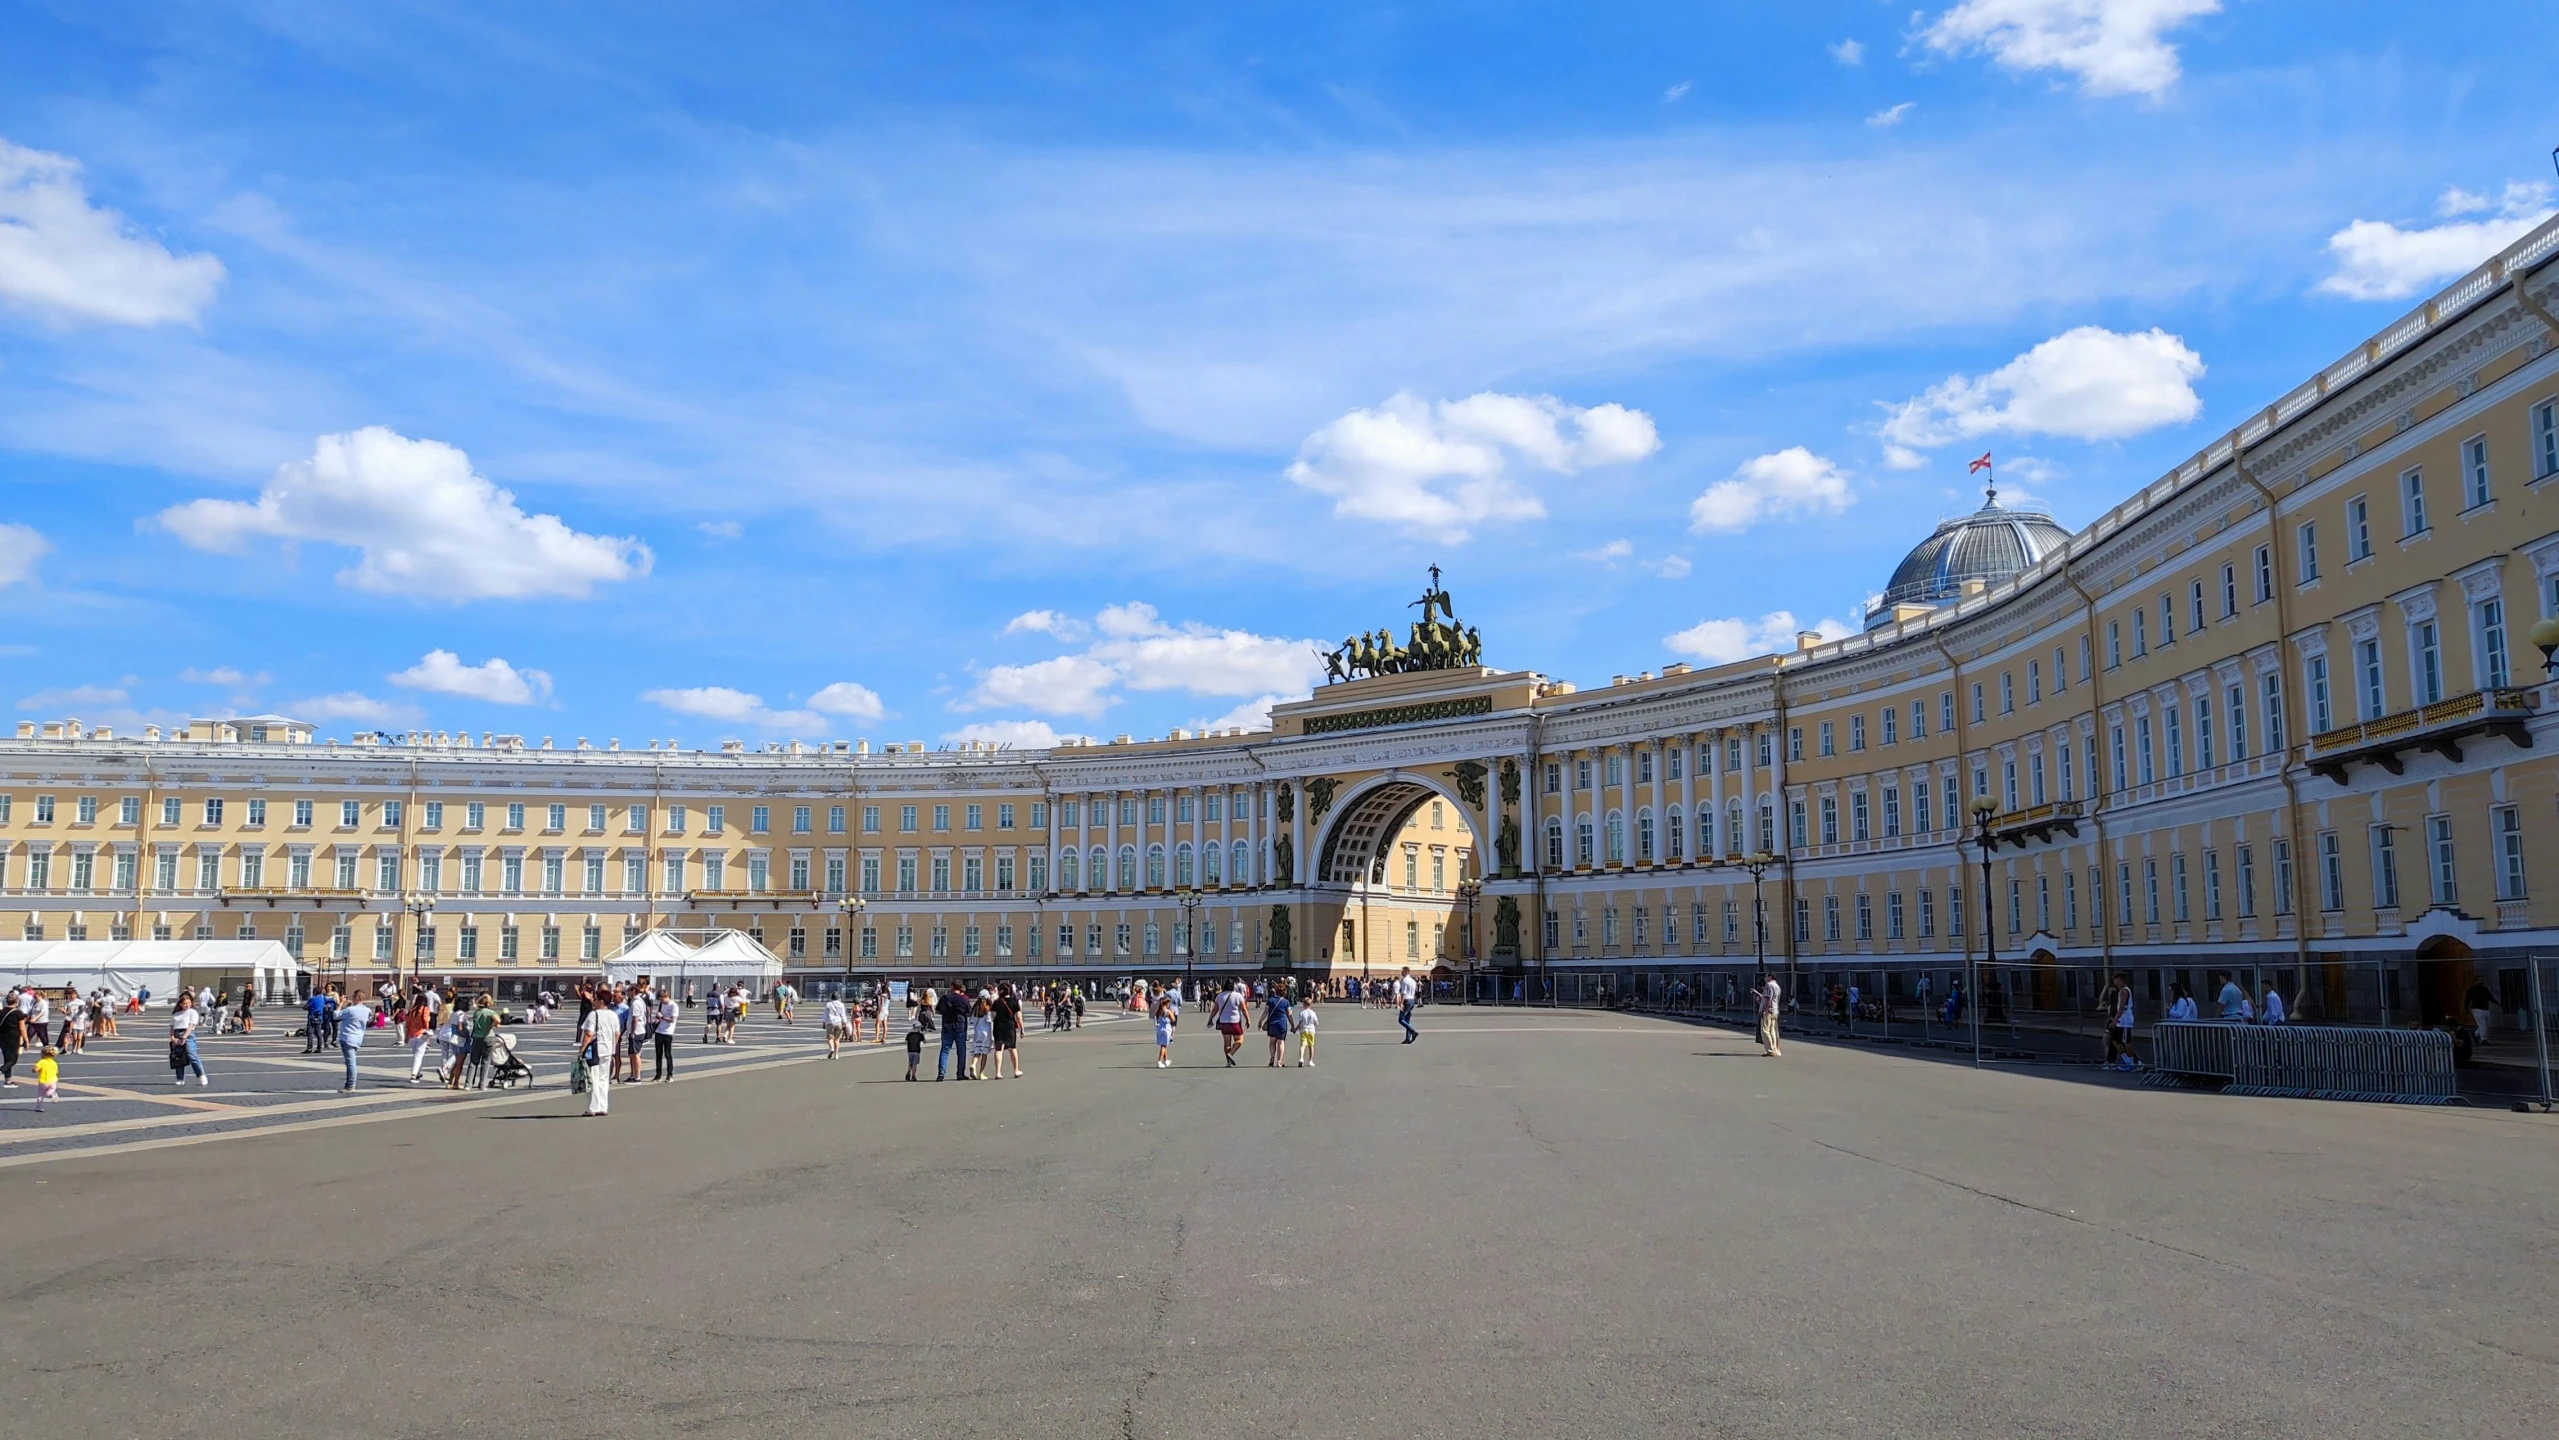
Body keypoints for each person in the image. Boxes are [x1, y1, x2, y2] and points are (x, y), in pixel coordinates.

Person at [577, 996, 619, 1116]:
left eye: (595, 999)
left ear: (601, 1001)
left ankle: (593, 1107)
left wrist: (581, 1050)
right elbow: (617, 1033)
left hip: (595, 1050)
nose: (593, 1002)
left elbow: (589, 1034)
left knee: (593, 1078)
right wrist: (612, 1047)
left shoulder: (593, 1014)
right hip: (607, 1050)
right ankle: (603, 1106)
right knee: (604, 1079)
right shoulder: (613, 1015)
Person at [336, 989, 373, 1091]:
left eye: (353, 996)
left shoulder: (350, 1010)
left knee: (351, 1063)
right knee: (350, 1062)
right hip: (358, 1038)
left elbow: (336, 1015)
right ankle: (349, 1084)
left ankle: (350, 1085)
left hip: (347, 1038)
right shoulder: (367, 1010)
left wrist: (341, 1003)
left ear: (356, 998)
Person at [170, 995, 209, 1086]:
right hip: (176, 1034)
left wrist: (184, 1037)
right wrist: (172, 1038)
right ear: (180, 1004)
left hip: (188, 1034)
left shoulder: (192, 1012)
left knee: (192, 1056)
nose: (187, 1005)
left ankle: (201, 1075)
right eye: (184, 1003)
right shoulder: (176, 1014)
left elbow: (191, 1026)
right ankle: (180, 1078)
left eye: (188, 1003)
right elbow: (172, 1027)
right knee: (178, 1057)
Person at [935, 982, 970, 1080]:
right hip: (960, 1027)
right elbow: (968, 1012)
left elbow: (938, 1010)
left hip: (947, 1026)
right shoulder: (964, 999)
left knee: (945, 1050)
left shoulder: (945, 998)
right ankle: (960, 1073)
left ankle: (941, 1073)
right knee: (961, 1051)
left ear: (952, 987)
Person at [991, 983, 1023, 1078]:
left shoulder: (997, 1002)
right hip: (1010, 1026)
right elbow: (1018, 1016)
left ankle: (998, 1072)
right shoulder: (1014, 1001)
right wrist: (1022, 1029)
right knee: (1012, 1048)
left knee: (998, 1049)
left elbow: (993, 1016)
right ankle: (1016, 1070)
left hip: (998, 1026)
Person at [1212, 981, 1248, 1067]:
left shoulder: (1219, 996)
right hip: (1235, 1021)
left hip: (1224, 1022)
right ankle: (1231, 1053)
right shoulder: (1238, 996)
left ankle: (1228, 1062)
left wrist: (1210, 1019)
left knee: (1227, 1043)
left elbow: (1215, 1009)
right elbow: (1244, 1009)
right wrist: (1248, 1020)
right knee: (1239, 1040)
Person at [2105, 973, 2136, 1071]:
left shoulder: (2124, 991)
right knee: (2115, 1040)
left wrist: (2114, 1020)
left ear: (2119, 979)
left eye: (2115, 979)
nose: (2114, 982)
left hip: (2125, 1020)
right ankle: (2126, 1061)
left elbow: (2122, 1007)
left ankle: (2131, 1063)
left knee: (2126, 1041)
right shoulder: (2120, 991)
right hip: (2120, 1020)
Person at [1261, 984, 1294, 1066]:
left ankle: (1272, 1058)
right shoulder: (1286, 1002)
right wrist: (1292, 1025)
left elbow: (1265, 1012)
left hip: (1272, 1024)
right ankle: (1279, 1061)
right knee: (1281, 1042)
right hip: (1281, 1024)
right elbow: (1289, 1014)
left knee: (1272, 1041)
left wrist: (1260, 1021)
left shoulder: (1270, 1000)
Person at [1755, 972, 1784, 1058]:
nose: (1765, 978)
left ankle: (1770, 1050)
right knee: (1772, 1031)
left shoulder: (1768, 985)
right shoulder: (1777, 986)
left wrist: (1765, 1010)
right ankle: (1775, 1048)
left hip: (1769, 1011)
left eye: (1766, 976)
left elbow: (1768, 998)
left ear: (1770, 977)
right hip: (1775, 1010)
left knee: (1765, 1030)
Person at [652, 990, 679, 1081]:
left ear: (664, 997)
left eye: (661, 999)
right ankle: (658, 1074)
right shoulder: (661, 1004)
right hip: (659, 1031)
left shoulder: (673, 1005)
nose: (660, 1001)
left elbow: (672, 1020)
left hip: (668, 1032)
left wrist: (662, 1017)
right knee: (658, 1054)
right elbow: (658, 1015)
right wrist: (657, 1019)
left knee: (668, 1054)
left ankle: (669, 1074)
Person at [967, 995, 994, 1079]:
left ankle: (974, 1064)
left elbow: (971, 1021)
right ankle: (981, 1073)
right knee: (984, 1053)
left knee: (977, 1051)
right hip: (986, 1032)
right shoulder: (988, 1009)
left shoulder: (975, 1009)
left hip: (977, 1032)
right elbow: (990, 1021)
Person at [0, 991, 24, 1087]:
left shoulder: (1, 1012)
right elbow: (22, 1028)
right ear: (17, 1001)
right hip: (13, 1037)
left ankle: (8, 1080)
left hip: (2, 1037)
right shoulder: (18, 1013)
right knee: (13, 1059)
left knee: (7, 1058)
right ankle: (2, 1071)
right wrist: (26, 1040)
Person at [1152, 985, 1179, 1069]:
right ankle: (1159, 1061)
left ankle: (1166, 1060)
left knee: (1164, 1045)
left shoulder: (1159, 1011)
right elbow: (1173, 1020)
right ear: (1166, 1004)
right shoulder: (1168, 1011)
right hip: (1166, 1029)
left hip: (1160, 1028)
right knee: (1164, 1046)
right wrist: (1172, 1013)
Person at [2465, 980, 2496, 1047]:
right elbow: (2467, 999)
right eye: (2479, 980)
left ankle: (2476, 1033)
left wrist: (2497, 1003)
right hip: (2476, 1008)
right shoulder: (2471, 989)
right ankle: (2483, 1039)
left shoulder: (2484, 989)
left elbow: (2490, 997)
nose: (2481, 981)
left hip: (2485, 1008)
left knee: (2488, 1023)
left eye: (2481, 980)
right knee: (2482, 1024)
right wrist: (2466, 1008)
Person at [1293, 990, 1319, 1067]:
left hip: (1303, 1030)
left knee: (1303, 1045)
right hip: (1311, 1030)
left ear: (1304, 1004)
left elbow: (1300, 1023)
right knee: (1311, 1046)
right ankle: (1310, 1061)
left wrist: (1295, 1029)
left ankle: (1301, 1058)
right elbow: (1316, 1023)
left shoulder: (1301, 1013)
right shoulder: (1313, 1013)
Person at [1396, 967, 1419, 1044]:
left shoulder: (1405, 980)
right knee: (1407, 1019)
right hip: (1412, 1000)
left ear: (1406, 971)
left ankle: (1413, 1031)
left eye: (1402, 971)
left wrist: (1401, 1003)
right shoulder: (1413, 981)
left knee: (1401, 1019)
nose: (1401, 973)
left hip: (1407, 1000)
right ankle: (1408, 1038)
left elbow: (1404, 993)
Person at [33, 1045, 60, 1110]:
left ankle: (39, 1107)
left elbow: (35, 1069)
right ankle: (52, 1094)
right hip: (53, 1080)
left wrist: (34, 1070)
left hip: (43, 1081)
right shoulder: (54, 1063)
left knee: (40, 1094)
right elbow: (57, 1072)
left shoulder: (41, 1062)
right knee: (49, 1091)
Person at [824, 993, 850, 1058]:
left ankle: (832, 1048)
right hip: (838, 1022)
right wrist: (845, 1022)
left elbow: (825, 1015)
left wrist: (824, 1022)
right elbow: (843, 1015)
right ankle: (836, 1055)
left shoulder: (828, 1004)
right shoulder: (841, 1004)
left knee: (830, 1038)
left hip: (830, 1022)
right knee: (837, 1039)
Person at [904, 1007, 927, 1080]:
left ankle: (908, 1072)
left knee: (910, 1063)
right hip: (916, 1051)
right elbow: (924, 1041)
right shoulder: (920, 1035)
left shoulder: (909, 1034)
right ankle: (913, 1075)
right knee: (915, 1064)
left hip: (909, 1051)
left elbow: (906, 1041)